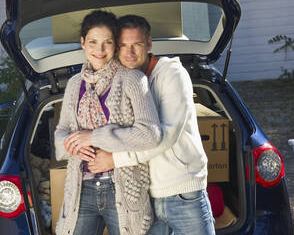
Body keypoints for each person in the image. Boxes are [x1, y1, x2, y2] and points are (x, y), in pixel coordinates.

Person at [86, 14, 215, 235]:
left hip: (183, 192)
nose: (129, 52)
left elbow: (164, 135)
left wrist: (114, 159)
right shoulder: (126, 81)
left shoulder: (172, 75)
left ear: (149, 44)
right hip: (146, 195)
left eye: (136, 44)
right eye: (123, 45)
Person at [54, 10, 161, 235]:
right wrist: (75, 145)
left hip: (123, 187)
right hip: (81, 190)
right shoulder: (74, 84)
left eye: (107, 42)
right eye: (93, 42)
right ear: (82, 43)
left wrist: (93, 137)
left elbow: (150, 134)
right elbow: (60, 134)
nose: (99, 50)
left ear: (115, 45)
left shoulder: (132, 79)